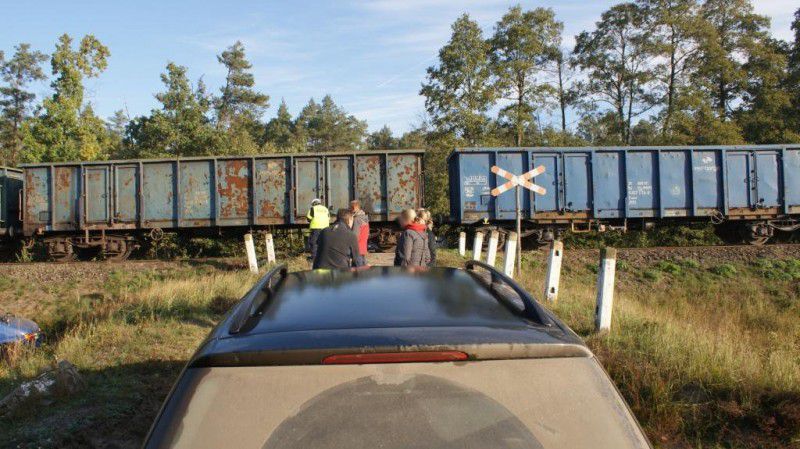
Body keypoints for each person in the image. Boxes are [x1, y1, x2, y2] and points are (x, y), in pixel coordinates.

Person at [350, 200, 369, 267]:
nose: (349, 209)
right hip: (363, 246)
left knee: (358, 269)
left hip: (357, 248)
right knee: (363, 266)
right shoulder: (364, 218)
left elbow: (355, 235)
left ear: (354, 207)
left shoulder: (357, 219)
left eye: (350, 207)